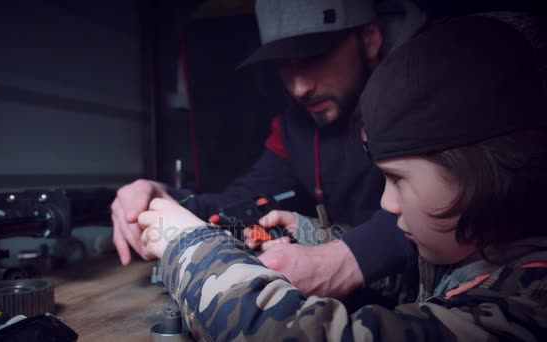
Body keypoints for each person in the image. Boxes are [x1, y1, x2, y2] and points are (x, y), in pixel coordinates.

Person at [137, 16, 547, 340]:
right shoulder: (480, 259)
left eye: (398, 179)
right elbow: (423, 284)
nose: (298, 85)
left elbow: (289, 335)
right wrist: (317, 236)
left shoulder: (528, 305)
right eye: (285, 66)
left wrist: (186, 246)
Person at [112, 0, 425, 298]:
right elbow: (238, 201)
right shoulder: (295, 126)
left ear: (370, 38)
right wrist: (164, 198)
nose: (299, 87)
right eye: (284, 65)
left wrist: (346, 259)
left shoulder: (431, 93)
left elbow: (452, 206)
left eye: (315, 57)